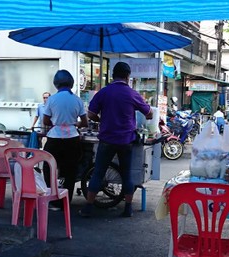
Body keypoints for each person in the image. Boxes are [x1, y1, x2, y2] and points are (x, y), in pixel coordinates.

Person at [79, 62, 152, 218]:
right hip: (126, 140)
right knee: (126, 174)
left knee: (98, 172)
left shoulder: (104, 92)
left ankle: (88, 207)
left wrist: (101, 120)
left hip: (106, 139)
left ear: (113, 76)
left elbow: (91, 114)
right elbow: (149, 113)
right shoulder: (132, 94)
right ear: (128, 76)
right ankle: (128, 208)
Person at [42, 70, 87, 210]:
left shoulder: (52, 99)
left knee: (49, 168)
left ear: (56, 84)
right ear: (71, 83)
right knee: (70, 170)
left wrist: (56, 123)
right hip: (72, 138)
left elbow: (45, 120)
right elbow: (84, 122)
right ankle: (66, 201)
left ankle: (52, 197)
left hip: (54, 138)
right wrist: (74, 124)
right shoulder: (77, 100)